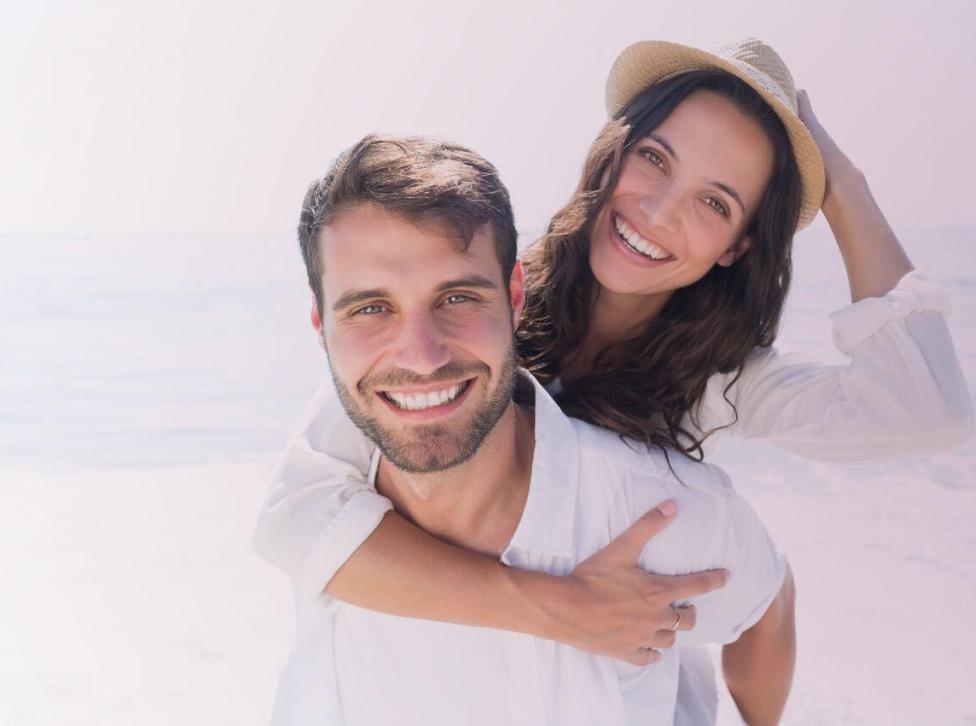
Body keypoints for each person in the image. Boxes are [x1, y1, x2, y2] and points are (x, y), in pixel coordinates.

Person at [254, 38, 972, 722]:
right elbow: (297, 518)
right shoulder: (468, 309)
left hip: (629, 679)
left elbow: (926, 413)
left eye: (715, 203)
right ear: (613, 150)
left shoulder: (725, 381)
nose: (657, 212)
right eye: (654, 159)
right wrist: (558, 607)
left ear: (739, 245)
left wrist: (844, 190)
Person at [269, 134, 794, 726]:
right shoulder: (327, 497)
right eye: (370, 308)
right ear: (320, 323)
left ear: (515, 296)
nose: (420, 356)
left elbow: (768, 604)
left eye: (457, 298)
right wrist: (560, 607)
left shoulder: (655, 511)